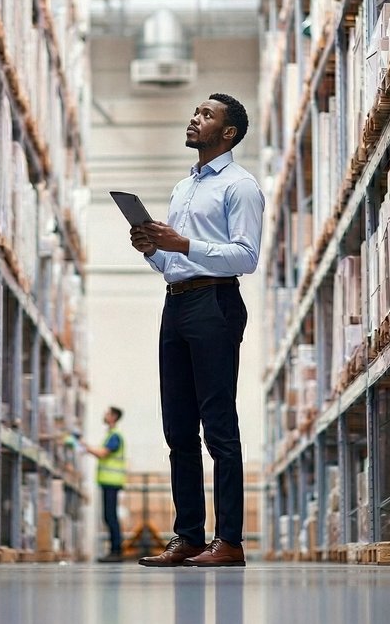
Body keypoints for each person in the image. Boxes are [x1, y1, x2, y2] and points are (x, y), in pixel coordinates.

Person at [130, 93, 264, 568]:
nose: (195, 118)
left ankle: (229, 542)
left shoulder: (240, 186)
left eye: (206, 115)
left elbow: (246, 256)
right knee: (178, 429)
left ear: (228, 133)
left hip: (217, 302)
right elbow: (174, 264)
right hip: (178, 303)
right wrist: (152, 249)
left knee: (219, 429)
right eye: (195, 112)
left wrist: (183, 242)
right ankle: (188, 537)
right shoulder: (183, 188)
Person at [81, 406, 127, 562]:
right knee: (108, 516)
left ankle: (116, 551)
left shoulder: (115, 436)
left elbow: (102, 453)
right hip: (108, 482)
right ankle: (115, 550)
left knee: (110, 516)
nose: (104, 415)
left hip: (111, 482)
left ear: (114, 417)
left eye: (107, 413)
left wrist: (85, 446)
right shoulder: (110, 435)